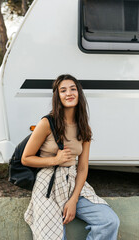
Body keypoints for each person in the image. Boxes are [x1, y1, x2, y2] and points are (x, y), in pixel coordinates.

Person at [21, 74, 120, 240]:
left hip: (73, 183)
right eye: (63, 90)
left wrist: (73, 200)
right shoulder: (47, 123)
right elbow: (26, 158)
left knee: (109, 221)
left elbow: (82, 167)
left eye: (73, 89)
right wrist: (55, 160)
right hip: (48, 185)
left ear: (79, 94)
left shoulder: (84, 127)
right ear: (58, 96)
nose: (69, 93)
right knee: (52, 236)